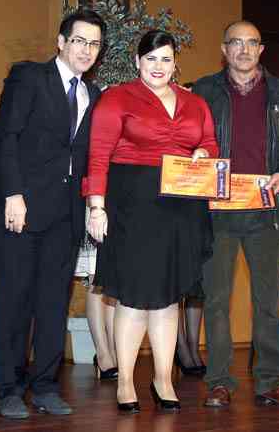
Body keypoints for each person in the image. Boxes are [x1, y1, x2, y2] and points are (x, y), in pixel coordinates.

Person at [85, 29, 219, 414]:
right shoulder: (116, 98)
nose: (158, 66)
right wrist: (96, 207)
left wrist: (202, 153)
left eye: (166, 59)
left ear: (176, 63)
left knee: (168, 297)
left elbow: (210, 143)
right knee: (133, 297)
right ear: (137, 62)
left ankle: (163, 379)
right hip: (132, 205)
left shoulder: (195, 102)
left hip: (181, 208)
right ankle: (125, 381)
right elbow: (98, 155)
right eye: (151, 59)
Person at [0, 9, 106, 419]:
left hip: (66, 216)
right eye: (79, 40)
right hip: (21, 209)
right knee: (14, 302)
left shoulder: (94, 95)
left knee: (54, 303)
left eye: (94, 44)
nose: (86, 50)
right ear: (61, 41)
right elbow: (5, 137)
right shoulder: (29, 77)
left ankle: (45, 385)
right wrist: (12, 194)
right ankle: (8, 388)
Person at [193, 21, 279, 408]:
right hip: (217, 211)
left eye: (251, 43)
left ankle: (271, 382)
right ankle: (219, 382)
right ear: (224, 49)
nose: (243, 50)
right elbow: (188, 138)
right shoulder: (203, 90)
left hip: (267, 210)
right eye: (236, 43)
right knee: (216, 301)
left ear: (261, 50)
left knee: (267, 301)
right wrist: (197, 155)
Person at [74, 212, 118, 381]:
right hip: (95, 209)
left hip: (120, 208)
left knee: (115, 281)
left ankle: (114, 352)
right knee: (96, 277)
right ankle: (102, 354)